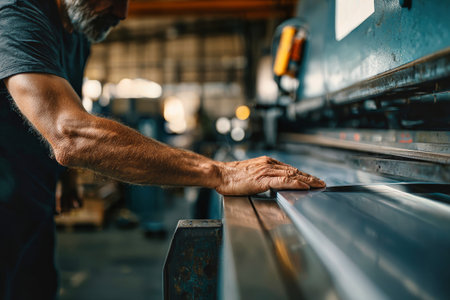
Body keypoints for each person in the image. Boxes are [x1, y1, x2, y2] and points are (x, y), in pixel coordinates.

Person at [0, 0, 325, 298]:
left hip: (32, 198)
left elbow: (67, 104)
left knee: (34, 286)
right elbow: (70, 132)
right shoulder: (17, 14)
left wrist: (66, 176)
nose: (124, 12)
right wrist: (220, 173)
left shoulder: (77, 33)